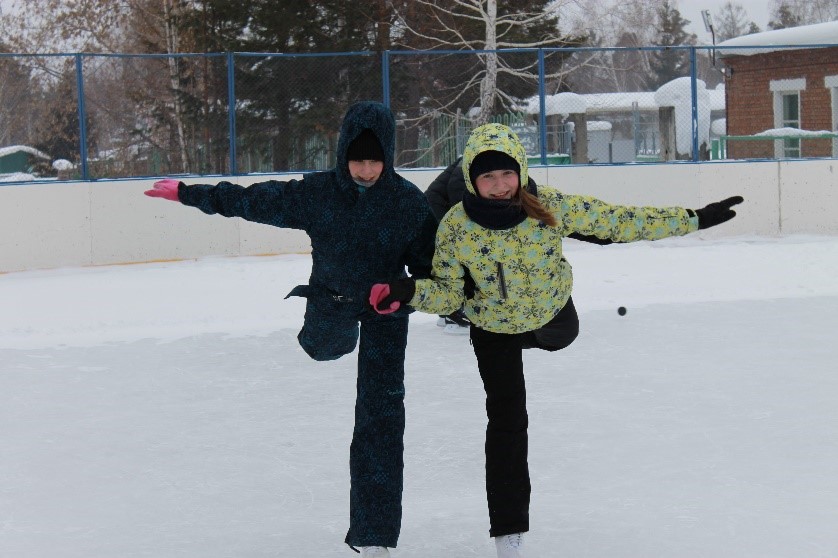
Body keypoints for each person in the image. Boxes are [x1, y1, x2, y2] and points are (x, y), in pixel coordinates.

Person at [369, 123, 743, 558]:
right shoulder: (456, 227)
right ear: (471, 178)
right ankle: (509, 532)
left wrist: (696, 218)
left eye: (507, 174)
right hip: (493, 328)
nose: (499, 185)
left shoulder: (548, 207)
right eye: (487, 176)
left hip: (552, 319)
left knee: (563, 335)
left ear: (520, 171)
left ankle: (532, 331)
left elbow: (619, 221)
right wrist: (408, 292)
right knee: (507, 422)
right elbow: (449, 294)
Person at [144, 101, 437, 558]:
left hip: (386, 313)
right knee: (322, 348)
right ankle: (326, 332)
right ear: (343, 154)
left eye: (375, 160)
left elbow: (431, 271)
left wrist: (404, 293)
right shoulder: (318, 193)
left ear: (389, 155)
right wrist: (188, 193)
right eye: (357, 160)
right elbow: (252, 200)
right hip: (332, 302)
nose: (365, 170)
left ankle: (373, 535)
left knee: (381, 417)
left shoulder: (408, 203)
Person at [424, 156, 615, 336]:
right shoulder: (471, 172)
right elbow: (466, 208)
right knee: (456, 267)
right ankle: (452, 316)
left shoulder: (479, 165)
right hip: (434, 217)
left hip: (437, 211)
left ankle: (448, 313)